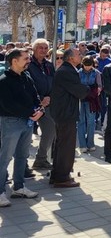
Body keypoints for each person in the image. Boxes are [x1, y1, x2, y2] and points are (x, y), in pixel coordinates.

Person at [0, 48, 43, 206]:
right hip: (11, 122)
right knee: (4, 158)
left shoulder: (26, 77)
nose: (28, 61)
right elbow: (8, 104)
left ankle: (19, 187)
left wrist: (40, 110)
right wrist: (30, 113)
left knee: (22, 156)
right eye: (25, 58)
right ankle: (1, 192)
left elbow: (35, 95)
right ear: (14, 61)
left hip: (27, 122)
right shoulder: (4, 81)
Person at [49, 47, 89, 188]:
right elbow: (79, 91)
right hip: (65, 114)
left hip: (64, 113)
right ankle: (62, 177)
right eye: (78, 54)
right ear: (71, 58)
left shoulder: (67, 70)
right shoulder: (67, 71)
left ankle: (58, 174)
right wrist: (89, 88)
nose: (81, 55)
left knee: (62, 145)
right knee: (66, 146)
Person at [28, 39, 55, 170]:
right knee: (25, 136)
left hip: (47, 104)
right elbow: (27, 85)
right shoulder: (28, 64)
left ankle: (41, 159)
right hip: (31, 103)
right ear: (34, 49)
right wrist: (40, 98)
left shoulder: (49, 65)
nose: (43, 50)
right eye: (40, 48)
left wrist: (49, 97)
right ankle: (23, 167)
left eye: (45, 48)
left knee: (50, 130)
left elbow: (54, 83)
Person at [77, 56, 102, 153]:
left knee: (91, 122)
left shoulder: (96, 73)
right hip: (80, 98)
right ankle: (82, 144)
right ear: (82, 64)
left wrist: (97, 91)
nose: (87, 67)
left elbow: (99, 85)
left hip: (92, 99)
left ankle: (90, 143)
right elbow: (76, 85)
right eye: (86, 65)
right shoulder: (78, 73)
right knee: (81, 121)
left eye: (90, 65)